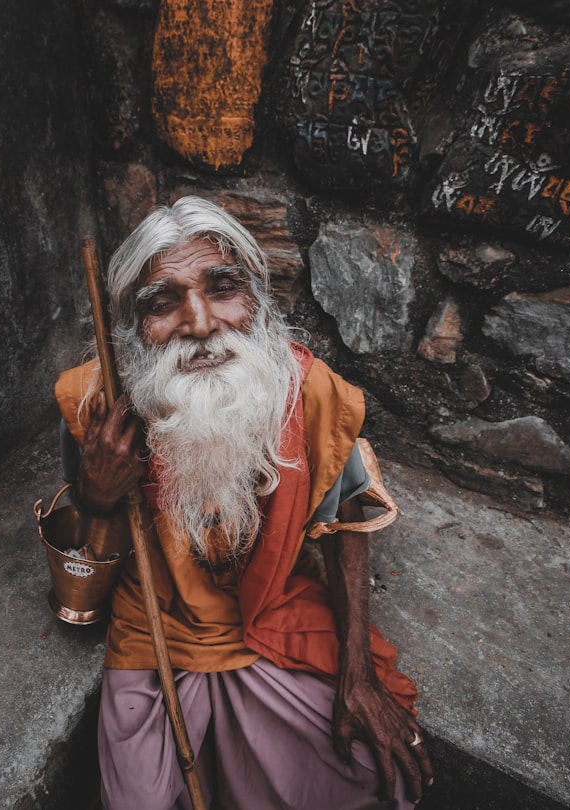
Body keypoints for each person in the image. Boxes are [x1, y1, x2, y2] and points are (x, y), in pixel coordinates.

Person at [54, 195, 433, 809]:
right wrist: (98, 494)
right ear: (133, 328)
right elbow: (82, 552)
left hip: (274, 605)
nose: (199, 323)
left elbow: (345, 525)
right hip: (158, 624)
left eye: (222, 287)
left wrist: (357, 677)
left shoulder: (310, 393)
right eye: (163, 301)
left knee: (368, 773)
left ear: (257, 300)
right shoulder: (94, 401)